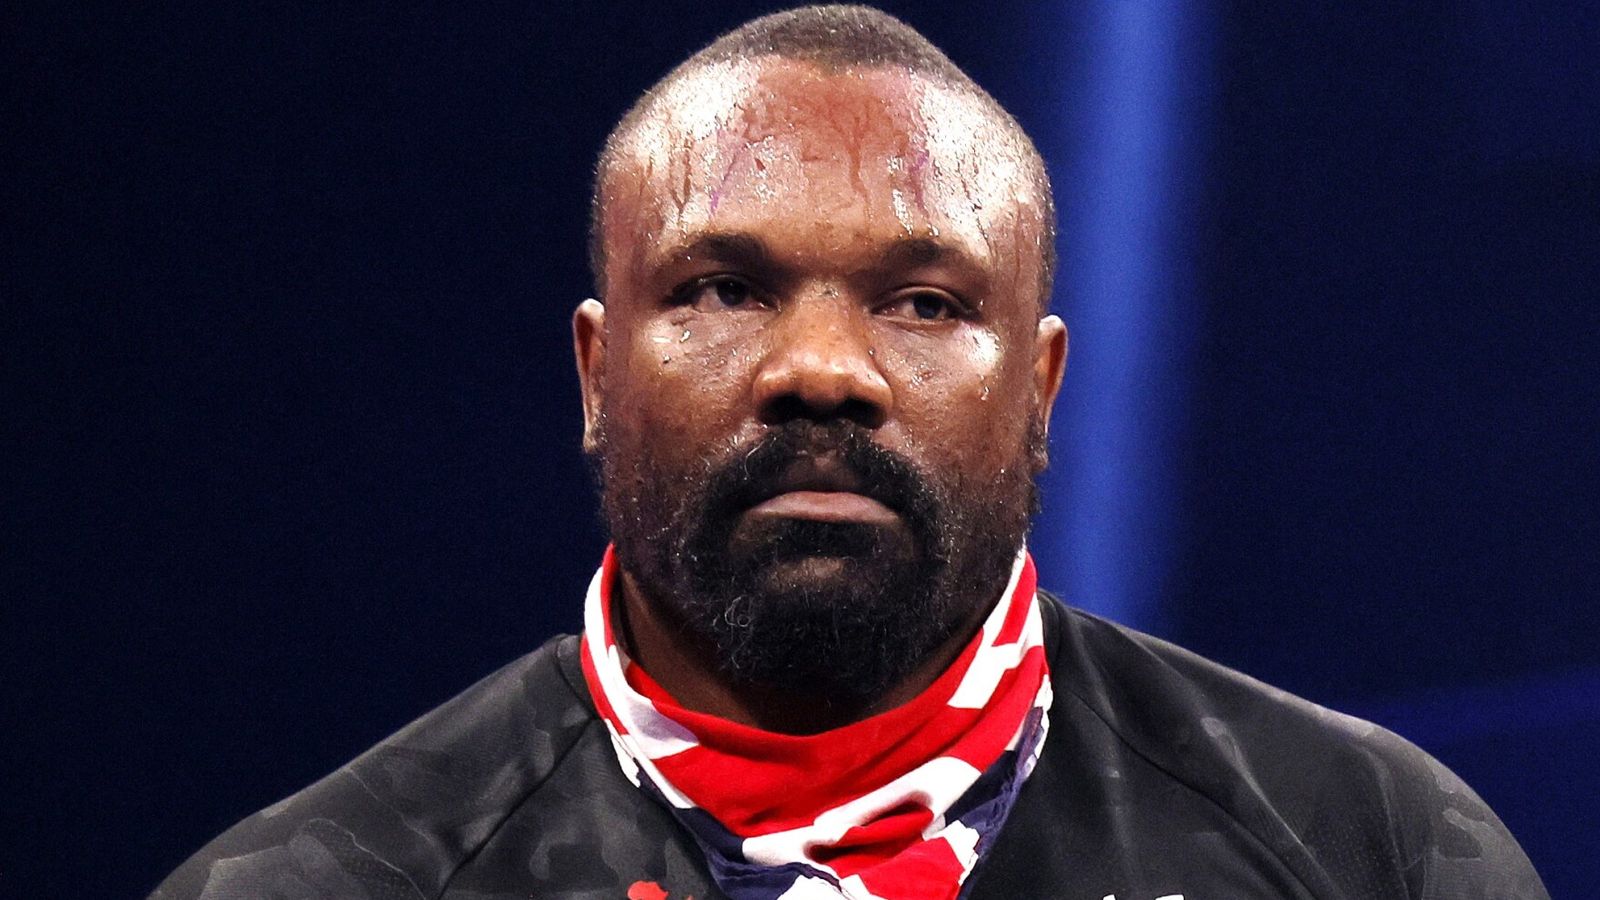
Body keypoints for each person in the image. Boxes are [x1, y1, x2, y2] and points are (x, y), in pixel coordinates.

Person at [151, 6, 1548, 899]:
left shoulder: (1372, 851)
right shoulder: (320, 884)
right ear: (596, 374)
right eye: (723, 290)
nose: (821, 368)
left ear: (1043, 390)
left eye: (924, 304)